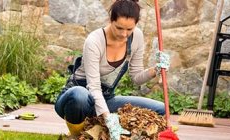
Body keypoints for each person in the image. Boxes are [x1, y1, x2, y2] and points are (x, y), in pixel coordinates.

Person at [55, 0, 170, 139]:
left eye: (129, 29)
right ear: (111, 20)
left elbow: (136, 77)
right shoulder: (94, 41)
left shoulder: (137, 37)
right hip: (76, 101)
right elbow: (94, 88)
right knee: (79, 95)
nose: (124, 34)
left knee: (160, 108)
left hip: (106, 99)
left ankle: (97, 128)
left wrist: (157, 69)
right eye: (119, 28)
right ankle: (76, 135)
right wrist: (109, 119)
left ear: (136, 24)